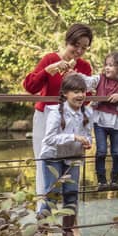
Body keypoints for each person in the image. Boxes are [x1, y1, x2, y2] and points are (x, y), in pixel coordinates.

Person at [23, 23, 93, 211]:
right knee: (44, 162)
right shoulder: (49, 59)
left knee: (71, 164)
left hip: (72, 120)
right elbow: (30, 87)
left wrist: (77, 82)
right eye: (75, 45)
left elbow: (87, 100)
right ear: (67, 41)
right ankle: (43, 213)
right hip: (46, 116)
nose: (78, 51)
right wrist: (48, 71)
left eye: (84, 48)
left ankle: (69, 216)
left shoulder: (84, 67)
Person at [38, 74, 92, 236]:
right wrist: (74, 137)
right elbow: (49, 139)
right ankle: (42, 231)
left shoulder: (87, 112)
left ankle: (67, 232)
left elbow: (88, 135)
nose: (80, 95)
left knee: (71, 193)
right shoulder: (55, 112)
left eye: (82, 91)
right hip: (52, 157)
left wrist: (87, 142)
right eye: (76, 91)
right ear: (65, 94)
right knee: (52, 194)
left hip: (72, 157)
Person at [77, 52, 118, 191]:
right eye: (106, 64)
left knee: (117, 152)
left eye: (111, 65)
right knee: (101, 151)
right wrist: (75, 74)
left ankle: (115, 179)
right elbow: (86, 82)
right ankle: (101, 180)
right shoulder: (99, 79)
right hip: (100, 121)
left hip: (117, 123)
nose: (107, 68)